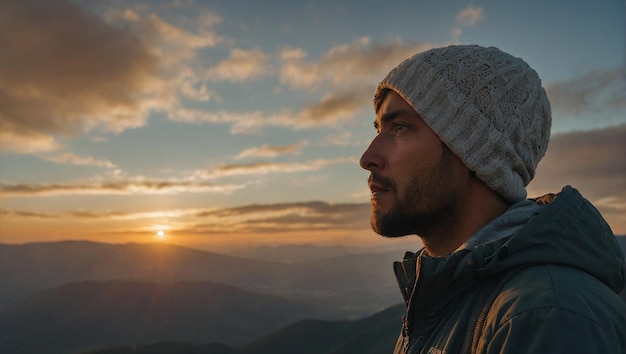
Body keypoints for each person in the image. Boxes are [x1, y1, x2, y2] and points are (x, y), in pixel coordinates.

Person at [359, 45, 625, 353]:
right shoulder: (453, 293)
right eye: (379, 129)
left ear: (475, 155)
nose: (368, 157)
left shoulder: (547, 316)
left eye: (400, 128)